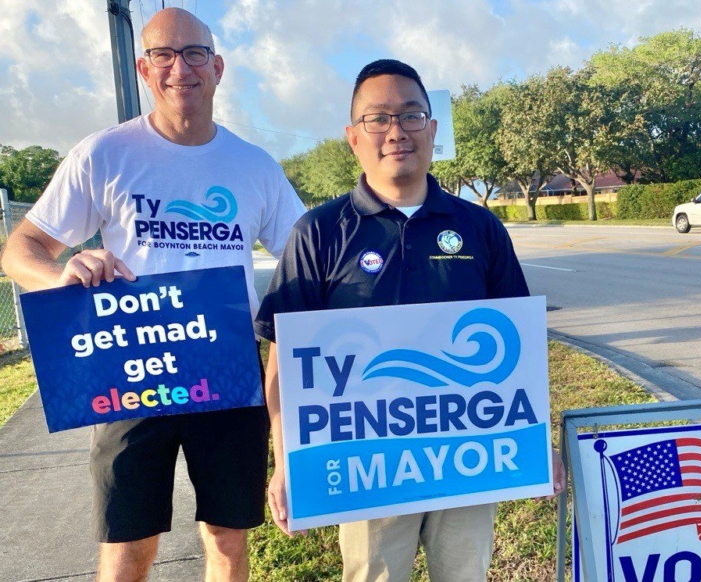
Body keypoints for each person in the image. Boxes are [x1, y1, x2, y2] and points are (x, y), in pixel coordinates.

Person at [1, 8, 305, 582]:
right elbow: (20, 248)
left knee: (227, 540)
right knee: (127, 545)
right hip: (132, 368)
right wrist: (60, 273)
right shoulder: (104, 155)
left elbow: (310, 254)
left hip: (226, 369)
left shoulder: (255, 167)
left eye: (193, 54)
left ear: (217, 67)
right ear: (144, 68)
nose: (179, 68)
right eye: (162, 55)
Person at [255, 59, 565, 582]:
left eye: (411, 115)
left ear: (433, 129)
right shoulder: (319, 232)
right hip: (368, 467)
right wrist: (285, 459)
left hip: (467, 460)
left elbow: (520, 344)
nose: (396, 131)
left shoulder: (480, 227)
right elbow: (285, 354)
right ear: (353, 137)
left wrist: (536, 441)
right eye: (377, 119)